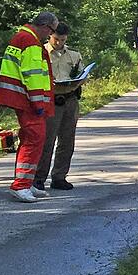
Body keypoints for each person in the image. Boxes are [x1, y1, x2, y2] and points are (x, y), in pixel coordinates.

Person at [0, 11, 57, 203]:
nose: (50, 36)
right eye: (51, 31)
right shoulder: (30, 42)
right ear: (45, 27)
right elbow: (32, 75)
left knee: (32, 140)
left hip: (22, 97)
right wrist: (39, 102)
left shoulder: (23, 37)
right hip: (28, 100)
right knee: (34, 139)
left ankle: (26, 183)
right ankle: (21, 185)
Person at [34, 23, 86, 192]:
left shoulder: (74, 55)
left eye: (62, 40)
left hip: (70, 99)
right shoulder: (41, 52)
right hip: (51, 100)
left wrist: (78, 80)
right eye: (56, 39)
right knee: (47, 141)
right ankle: (39, 178)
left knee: (67, 141)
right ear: (50, 36)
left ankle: (59, 176)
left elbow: (81, 74)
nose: (59, 43)